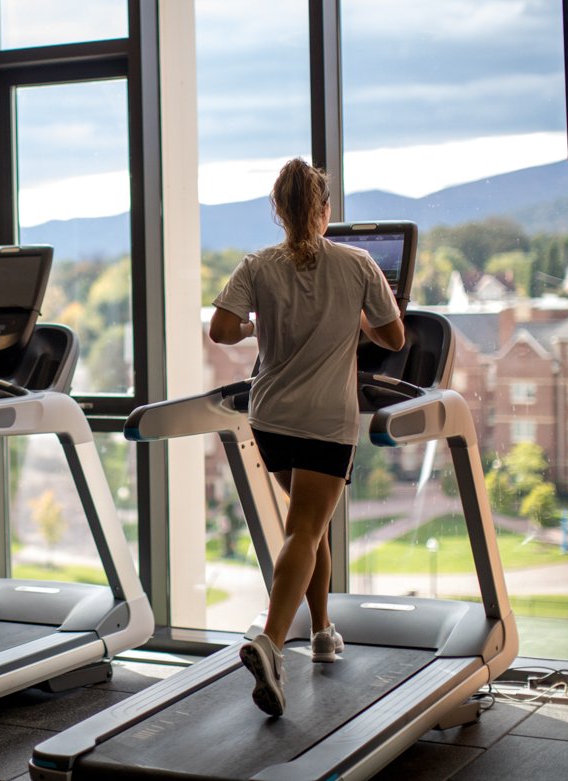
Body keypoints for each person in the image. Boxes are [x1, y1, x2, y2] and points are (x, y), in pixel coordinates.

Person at [208, 159, 405, 717]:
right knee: (304, 530)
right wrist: (358, 321)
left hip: (270, 415)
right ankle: (271, 644)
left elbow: (221, 329)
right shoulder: (358, 263)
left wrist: (253, 325)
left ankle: (321, 631)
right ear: (323, 211)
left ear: (278, 210)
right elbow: (392, 336)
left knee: (307, 526)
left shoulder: (258, 265)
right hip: (325, 419)